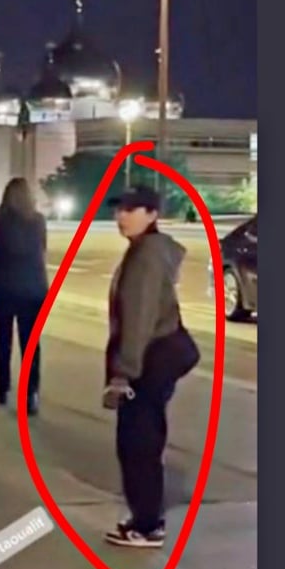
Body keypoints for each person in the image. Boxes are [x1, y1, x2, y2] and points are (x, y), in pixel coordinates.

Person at [103, 185, 197, 549]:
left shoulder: (146, 256)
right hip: (157, 355)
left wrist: (123, 374)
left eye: (131, 210)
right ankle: (146, 518)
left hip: (148, 359)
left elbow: (138, 319)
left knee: (137, 443)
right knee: (145, 439)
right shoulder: (148, 250)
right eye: (119, 209)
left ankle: (146, 525)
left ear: (153, 215)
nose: (121, 216)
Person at [0, 177, 47, 415]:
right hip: (32, 289)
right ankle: (30, 394)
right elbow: (42, 249)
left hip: (3, 287)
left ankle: (2, 389)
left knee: (3, 339)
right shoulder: (37, 220)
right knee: (31, 344)